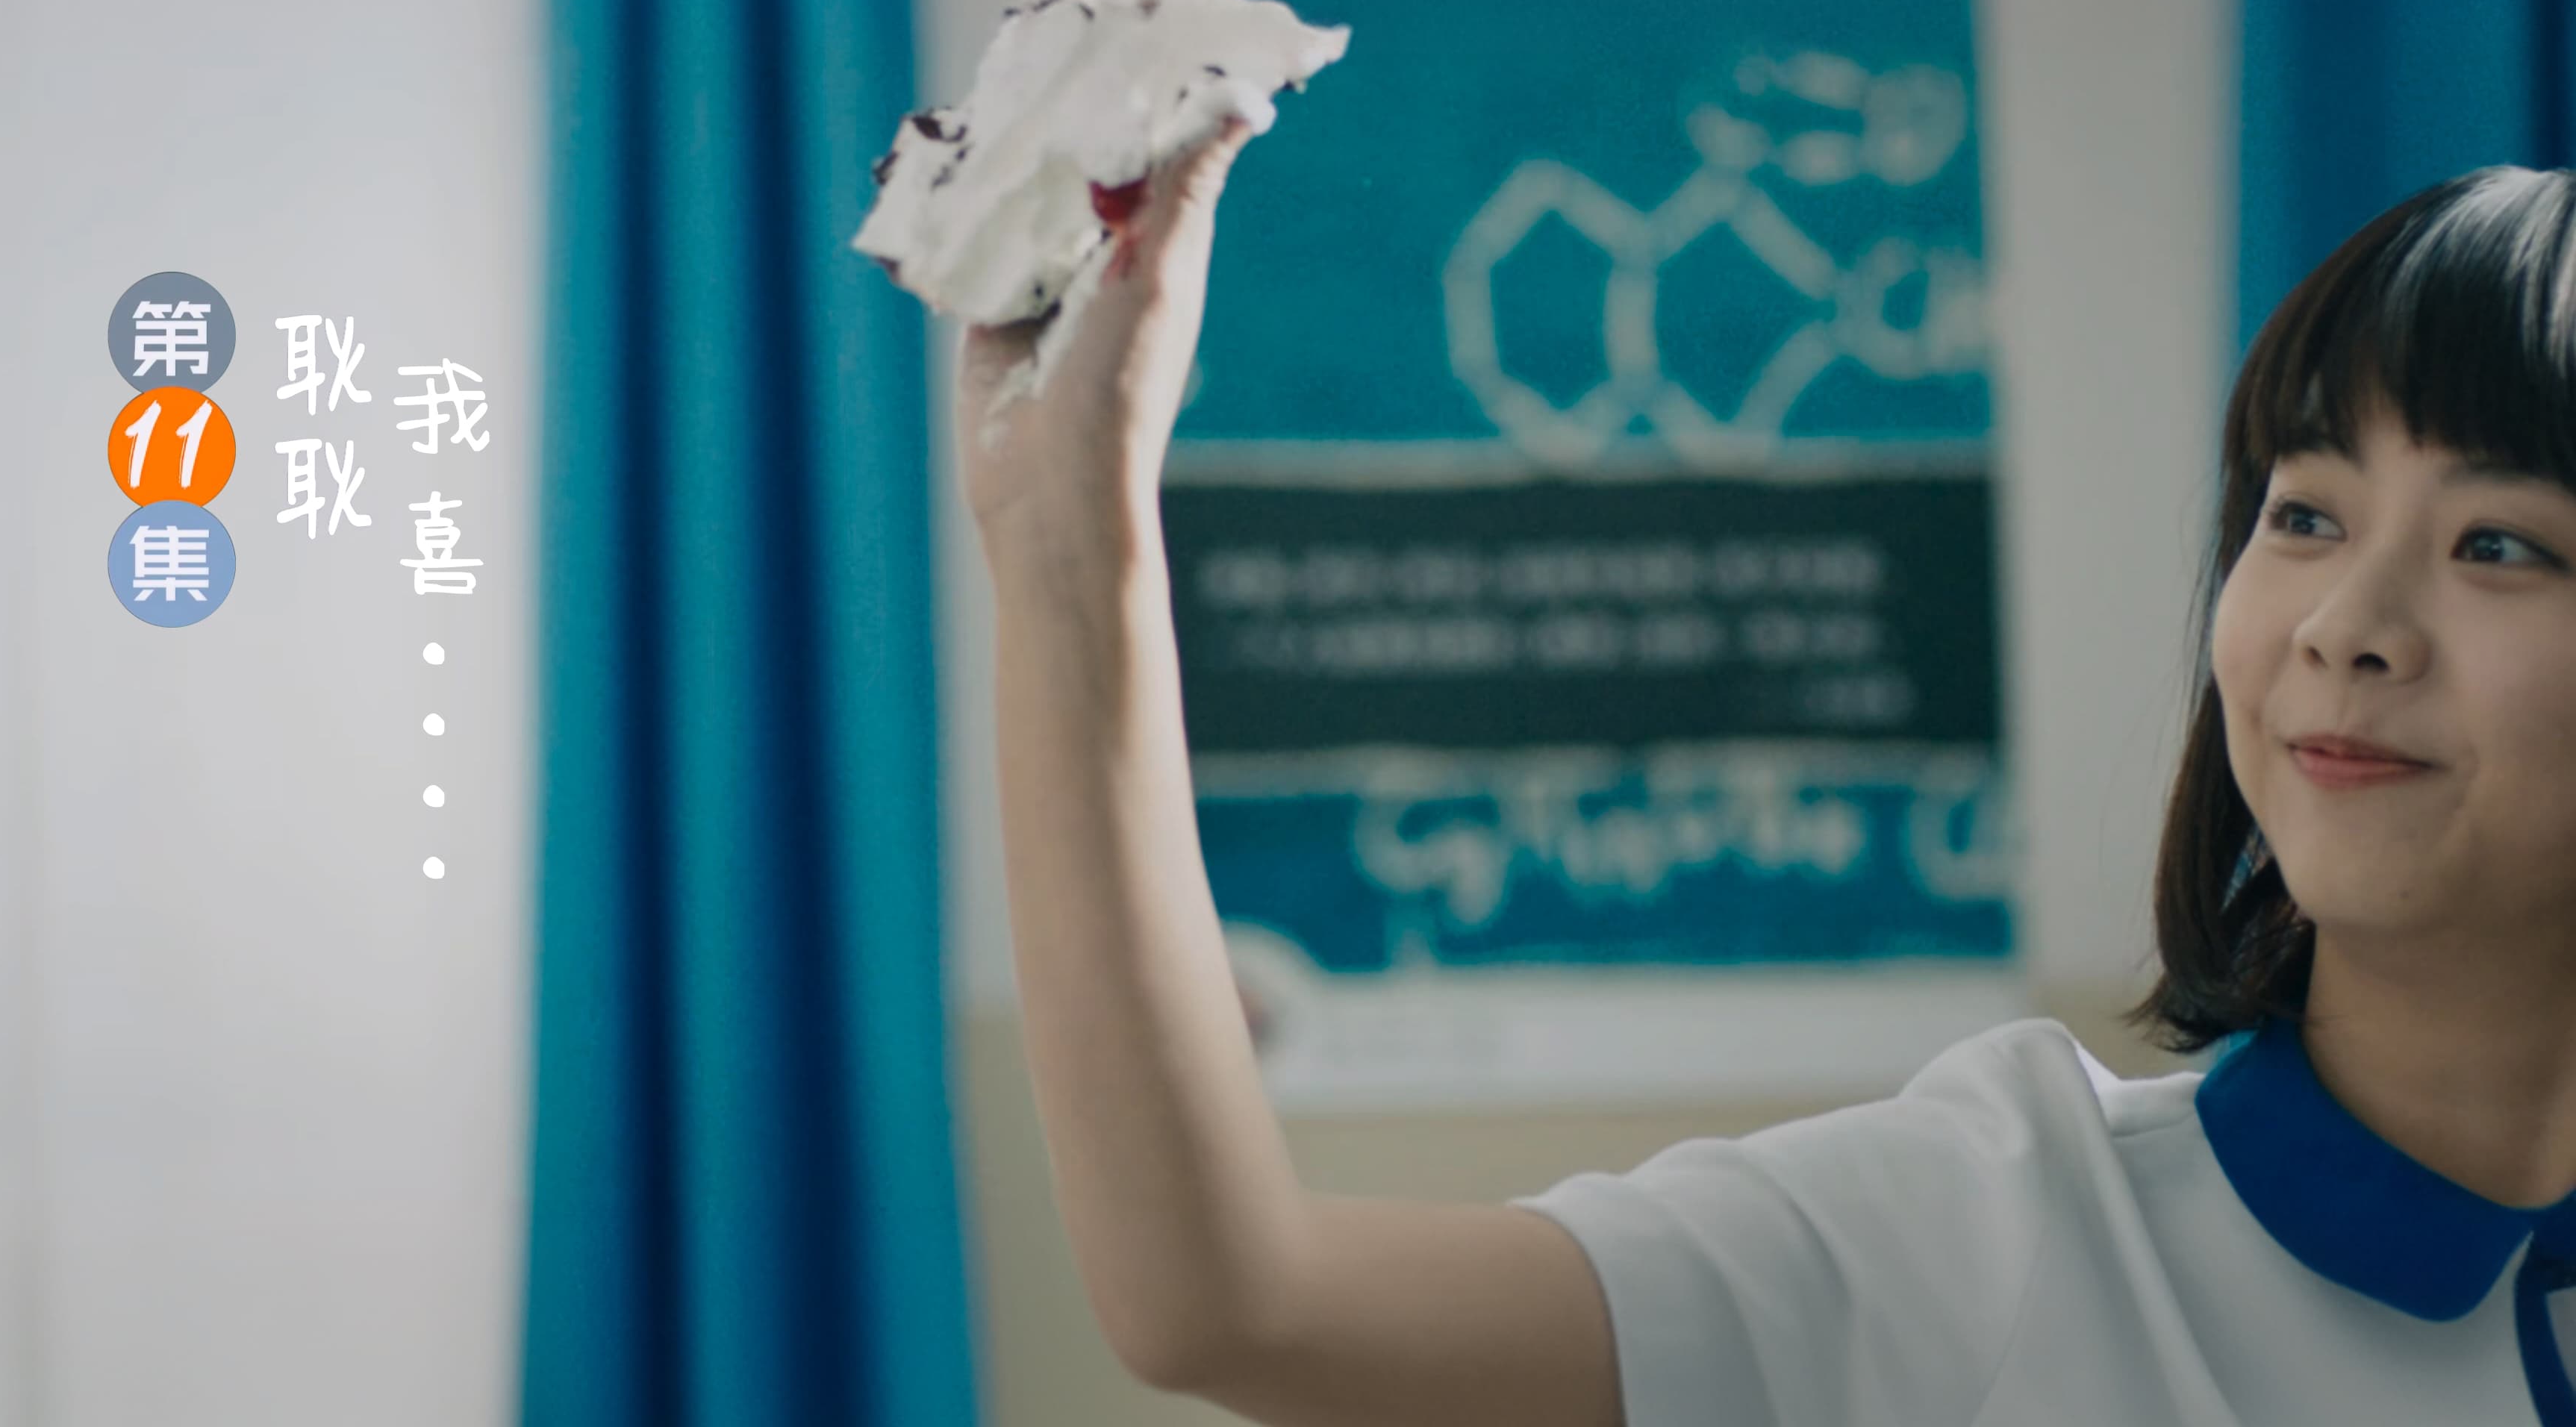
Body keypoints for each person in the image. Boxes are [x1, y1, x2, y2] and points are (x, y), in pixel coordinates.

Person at [950, 133, 2576, 1425]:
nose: (2348, 626)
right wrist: (1065, 544)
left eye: (2497, 544)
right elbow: (1237, 1302)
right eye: (2304, 515)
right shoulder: (1991, 1228)